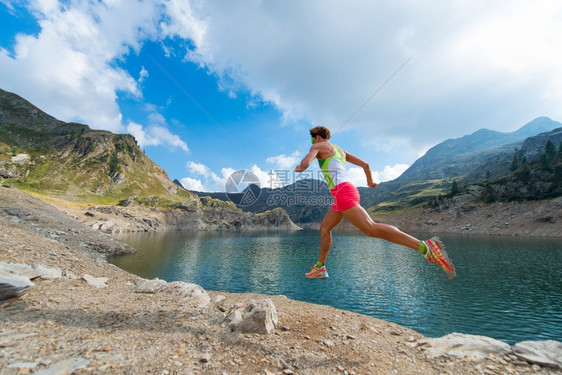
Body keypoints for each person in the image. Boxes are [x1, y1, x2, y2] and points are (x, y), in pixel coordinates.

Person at [295, 126, 455, 280]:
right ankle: (320, 268)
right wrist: (370, 181)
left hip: (342, 192)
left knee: (370, 228)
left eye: (312, 141)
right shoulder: (340, 150)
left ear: (317, 137)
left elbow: (305, 165)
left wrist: (299, 167)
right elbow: (366, 165)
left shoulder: (318, 146)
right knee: (325, 228)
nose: (313, 144)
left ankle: (426, 247)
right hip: (345, 192)